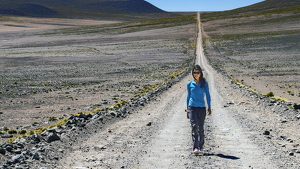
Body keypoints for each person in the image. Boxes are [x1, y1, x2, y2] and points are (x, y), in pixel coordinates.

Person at [185, 65, 211, 155]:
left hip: (201, 108)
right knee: (194, 126)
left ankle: (200, 145)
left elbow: (207, 95)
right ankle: (196, 147)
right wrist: (187, 108)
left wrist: (209, 106)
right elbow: (188, 97)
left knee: (200, 127)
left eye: (197, 72)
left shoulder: (204, 84)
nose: (196, 74)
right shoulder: (189, 84)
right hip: (192, 107)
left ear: (200, 73)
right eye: (194, 73)